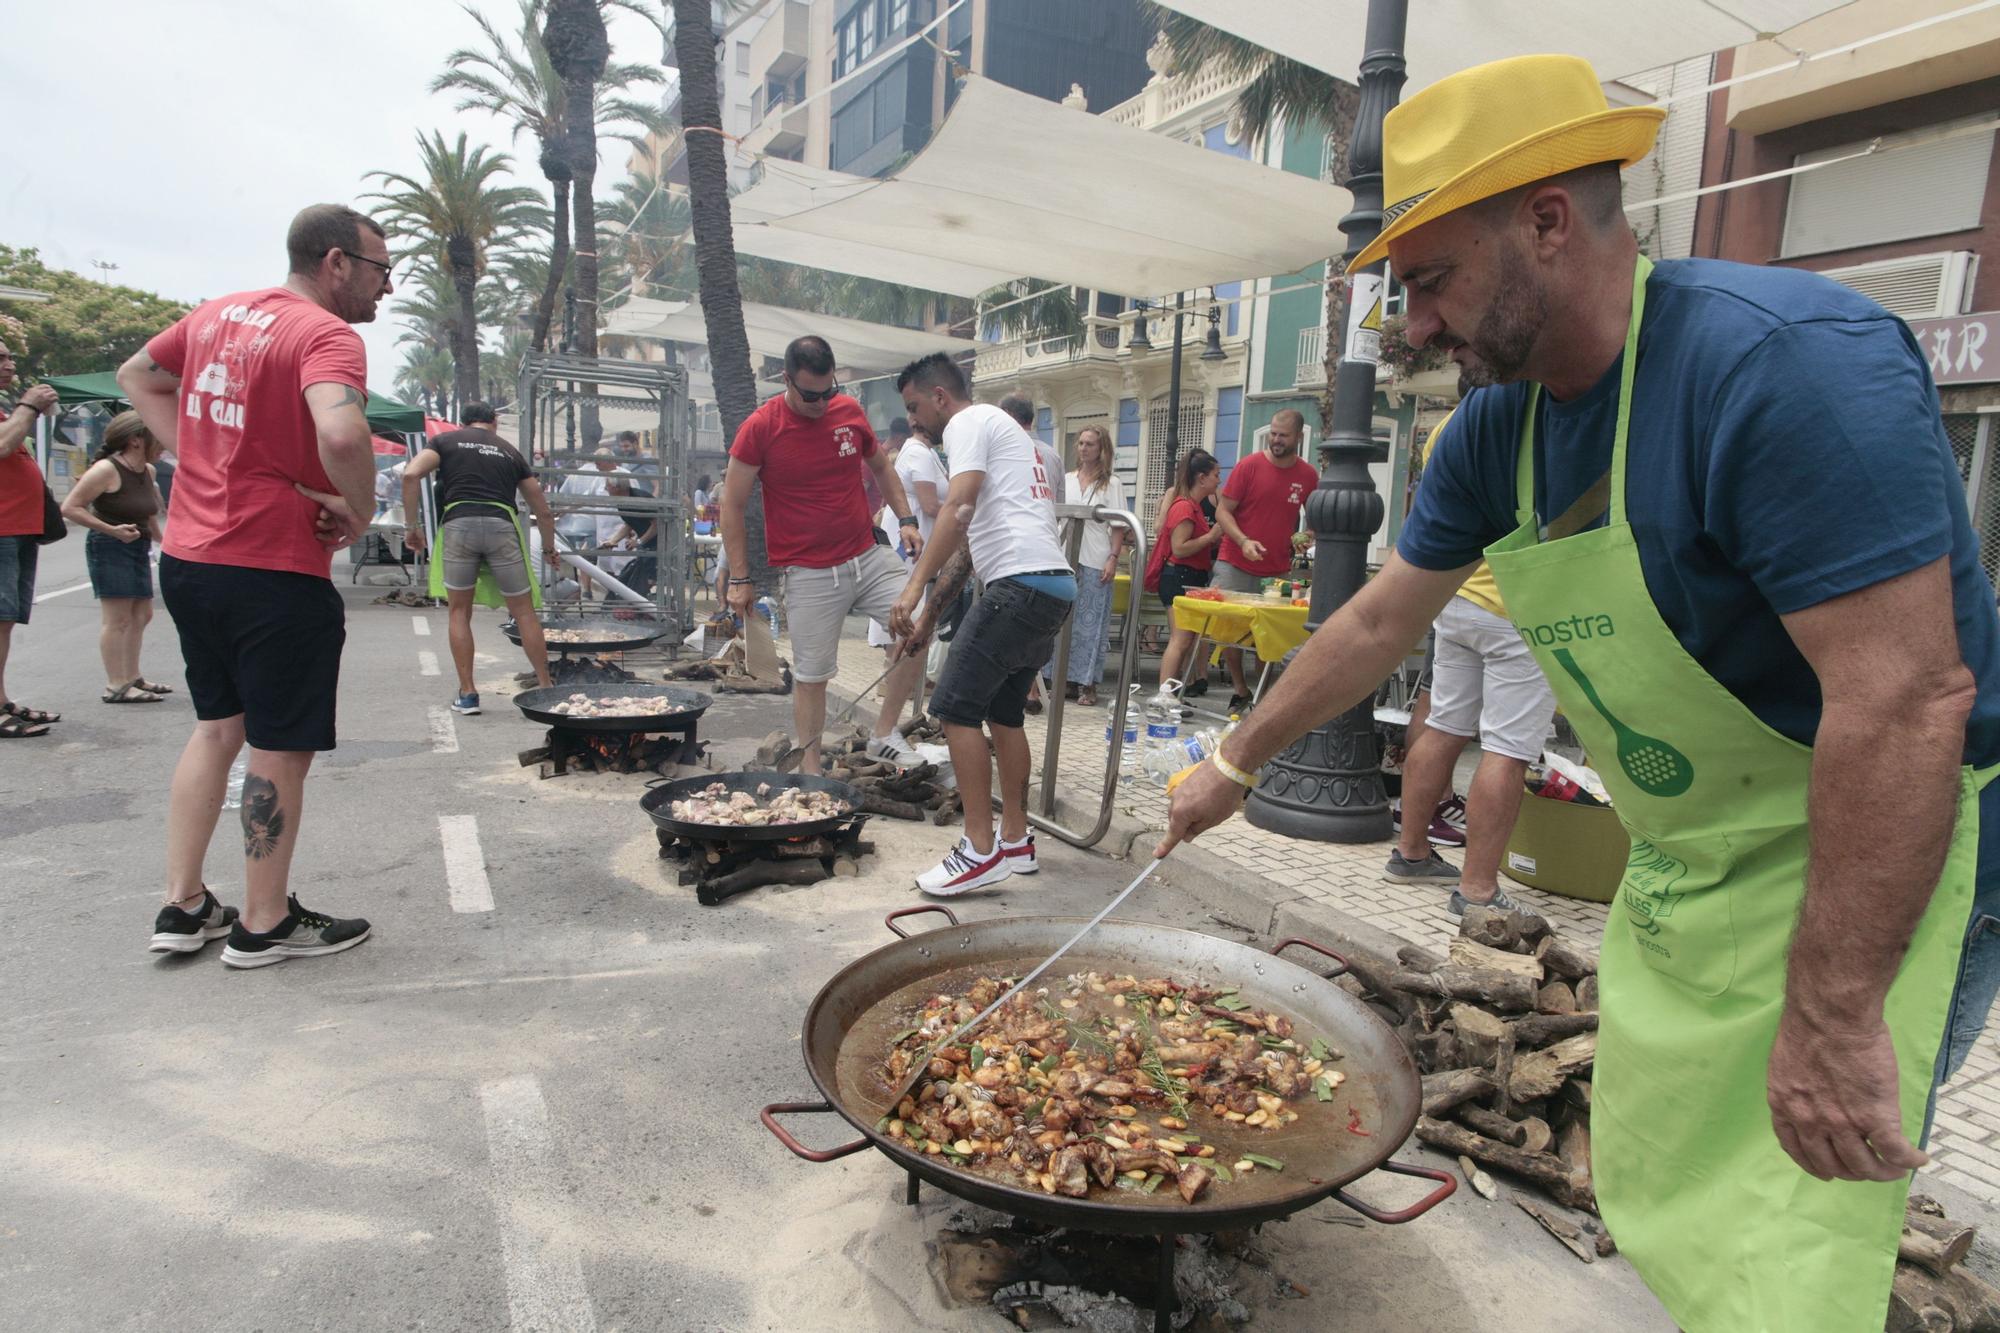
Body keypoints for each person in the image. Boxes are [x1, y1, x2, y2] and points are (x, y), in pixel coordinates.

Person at [1161, 54, 2000, 1332]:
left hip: (1885, 828)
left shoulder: (1782, 367)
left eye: (1429, 279)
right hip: (1700, 844)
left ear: (1546, 221)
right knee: (1671, 1177)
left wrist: (1832, 1020)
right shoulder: (1498, 429)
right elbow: (1382, 615)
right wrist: (1232, 763)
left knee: (1800, 1202)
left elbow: (1902, 705)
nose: (1417, 325)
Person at [117, 202, 387, 966]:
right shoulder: (324, 334)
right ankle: (264, 921)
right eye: (380, 269)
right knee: (276, 747)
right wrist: (360, 508)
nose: (385, 289)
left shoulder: (213, 315)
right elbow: (341, 431)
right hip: (272, 569)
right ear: (335, 262)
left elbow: (139, 375)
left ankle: (184, 902)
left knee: (215, 728)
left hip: (191, 562)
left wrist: (199, 455)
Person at [891, 354, 1074, 895]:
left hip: (1019, 586)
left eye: (915, 407)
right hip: (1053, 587)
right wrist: (928, 617)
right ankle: (1015, 841)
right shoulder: (1004, 434)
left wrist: (912, 586)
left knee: (951, 708)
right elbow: (970, 548)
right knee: (1004, 712)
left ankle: (978, 850)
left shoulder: (970, 423)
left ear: (941, 397)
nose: (914, 420)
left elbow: (958, 510)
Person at [720, 335, 925, 771]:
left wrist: (906, 519)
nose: (819, 402)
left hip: (866, 555)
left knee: (919, 622)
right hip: (808, 571)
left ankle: (885, 734)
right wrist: (739, 578)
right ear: (786, 379)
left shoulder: (848, 410)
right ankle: (811, 770)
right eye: (810, 394)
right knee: (813, 677)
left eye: (827, 391)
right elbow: (731, 504)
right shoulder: (761, 427)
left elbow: (882, 466)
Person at [1384, 406, 1554, 912]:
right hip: (1516, 604)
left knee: (1444, 724)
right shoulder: (1535, 418)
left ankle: (1411, 853)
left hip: (1456, 594)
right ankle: (1478, 889)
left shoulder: (1446, 425)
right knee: (1508, 747)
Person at [401, 401, 557, 714]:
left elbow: (410, 474)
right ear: (494, 421)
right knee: (524, 612)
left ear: (463, 422)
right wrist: (550, 549)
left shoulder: (445, 442)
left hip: (460, 526)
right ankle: (545, 689)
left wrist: (412, 527)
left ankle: (468, 694)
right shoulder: (509, 451)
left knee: (459, 611)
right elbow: (542, 509)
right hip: (502, 527)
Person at [61, 411, 173, 703]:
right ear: (136, 440)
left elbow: (148, 514)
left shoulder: (147, 471)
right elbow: (71, 508)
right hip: (110, 546)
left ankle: (133, 676)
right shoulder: (105, 470)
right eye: (156, 436)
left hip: (138, 545)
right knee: (117, 619)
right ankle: (116, 685)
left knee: (142, 614)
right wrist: (111, 530)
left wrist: (166, 543)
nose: (163, 442)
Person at [1212, 409, 1317, 709]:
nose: (1276, 440)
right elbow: (1223, 511)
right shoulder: (1249, 466)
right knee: (1228, 630)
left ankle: (1263, 695)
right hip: (1234, 560)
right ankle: (1239, 688)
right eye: (1273, 433)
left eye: (1283, 435)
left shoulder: (1308, 475)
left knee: (1269, 636)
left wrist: (1308, 535)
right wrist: (1243, 541)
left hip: (1277, 569)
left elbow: (1315, 518)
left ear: (1298, 436)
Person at [0, 342, 60, 738]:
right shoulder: (16, 409)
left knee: (5, 622)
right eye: (1, 357)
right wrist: (29, 406)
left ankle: (2, 701)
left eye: (8, 356)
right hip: (3, 529)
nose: (9, 364)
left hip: (16, 529)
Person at [1043, 426, 1127, 706]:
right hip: (1064, 554)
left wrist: (1113, 557)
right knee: (1061, 619)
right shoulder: (1066, 479)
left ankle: (1087, 683)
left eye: (1090, 444)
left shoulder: (1111, 484)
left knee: (1092, 623)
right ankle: (1060, 678)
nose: (1083, 448)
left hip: (1094, 555)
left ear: (1102, 449)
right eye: (1080, 443)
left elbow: (1118, 525)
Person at [998, 392, 1065, 714]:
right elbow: (1060, 507)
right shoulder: (1051, 454)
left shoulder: (1003, 450)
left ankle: (1016, 689)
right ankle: (1031, 691)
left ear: (1008, 417)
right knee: (1035, 629)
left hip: (1012, 552)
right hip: (1049, 550)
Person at [867, 420, 948, 682]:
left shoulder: (926, 453)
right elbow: (929, 504)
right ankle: (894, 674)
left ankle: (899, 674)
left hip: (916, 537)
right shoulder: (917, 453)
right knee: (907, 601)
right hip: (912, 540)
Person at [1151, 449, 1223, 696]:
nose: (1219, 480)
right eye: (1216, 475)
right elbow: (1179, 549)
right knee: (1180, 640)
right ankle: (1165, 696)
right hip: (1179, 576)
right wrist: (1210, 537)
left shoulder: (1192, 506)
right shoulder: (1184, 507)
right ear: (1201, 478)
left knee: (1185, 640)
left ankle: (1172, 695)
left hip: (1189, 577)